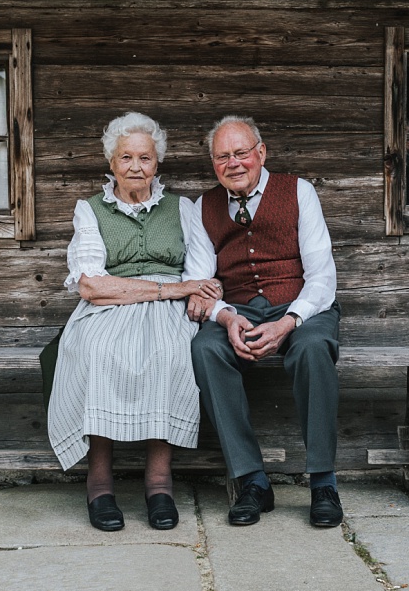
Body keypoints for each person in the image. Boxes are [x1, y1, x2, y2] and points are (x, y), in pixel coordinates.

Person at [48, 112, 221, 532]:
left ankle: (159, 482)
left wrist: (194, 290)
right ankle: (100, 483)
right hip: (110, 306)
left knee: (173, 352)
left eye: (144, 158)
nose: (135, 167)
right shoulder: (89, 210)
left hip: (169, 309)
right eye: (126, 158)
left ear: (157, 163)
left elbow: (201, 271)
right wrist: (168, 290)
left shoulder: (182, 208)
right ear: (112, 163)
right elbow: (91, 286)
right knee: (98, 352)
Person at [184, 115, 343, 527]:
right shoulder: (204, 207)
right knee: (205, 349)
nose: (233, 163)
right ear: (213, 163)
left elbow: (323, 277)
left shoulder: (298, 191)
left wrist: (289, 320)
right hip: (241, 310)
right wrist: (225, 317)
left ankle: (324, 481)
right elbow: (198, 280)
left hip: (302, 305)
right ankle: (252, 479)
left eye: (241, 153)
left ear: (261, 153)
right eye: (222, 156)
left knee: (312, 348)